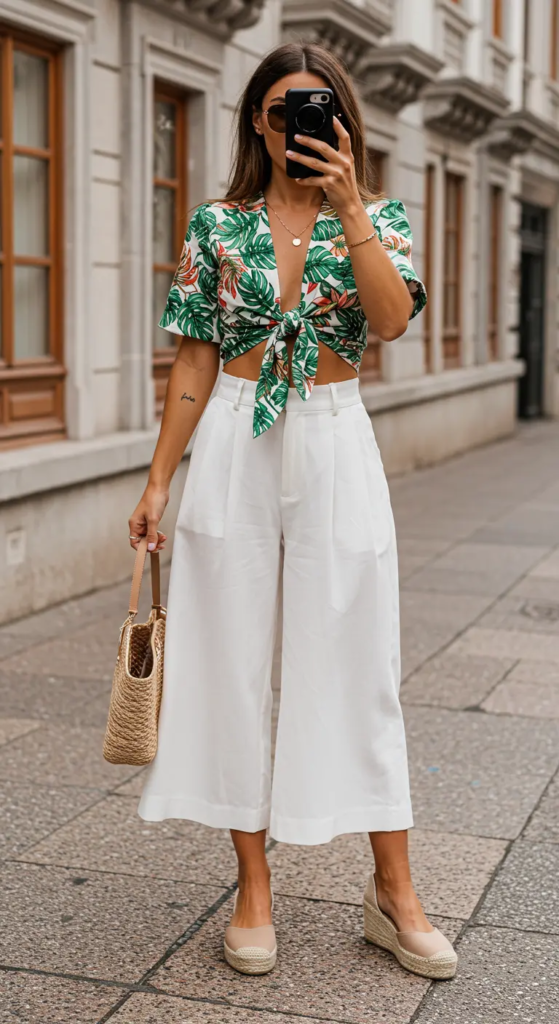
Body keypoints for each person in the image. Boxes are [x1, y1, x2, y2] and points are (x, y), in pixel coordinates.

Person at [129, 42, 457, 980]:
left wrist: (350, 205)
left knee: (360, 662)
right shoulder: (216, 226)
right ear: (255, 124)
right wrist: (158, 479)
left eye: (312, 110)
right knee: (228, 663)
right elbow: (192, 360)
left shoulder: (382, 215)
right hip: (233, 436)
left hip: (333, 434)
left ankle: (393, 893)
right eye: (276, 112)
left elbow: (390, 322)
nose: (292, 127)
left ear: (342, 121)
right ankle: (253, 884)